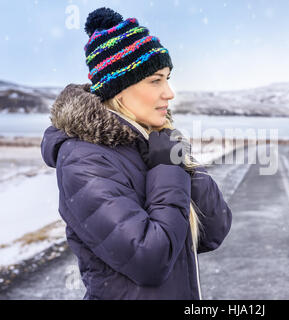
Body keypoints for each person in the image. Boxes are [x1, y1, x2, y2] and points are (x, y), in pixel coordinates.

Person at [40, 7, 232, 300]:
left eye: (167, 78)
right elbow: (150, 259)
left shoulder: (155, 142)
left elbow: (213, 230)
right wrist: (167, 168)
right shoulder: (84, 159)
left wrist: (179, 157)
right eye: (155, 80)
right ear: (120, 89)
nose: (169, 93)